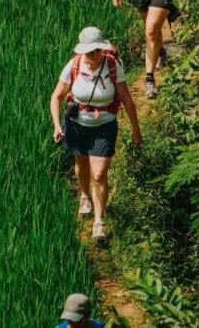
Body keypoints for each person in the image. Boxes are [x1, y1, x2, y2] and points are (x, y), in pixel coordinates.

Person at [50, 27, 141, 243]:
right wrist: (56, 125)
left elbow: (127, 99)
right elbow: (56, 97)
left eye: (98, 50)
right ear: (82, 51)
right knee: (81, 165)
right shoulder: (73, 66)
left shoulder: (112, 65)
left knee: (99, 174)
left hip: (104, 126)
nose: (94, 56)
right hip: (77, 125)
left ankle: (99, 223)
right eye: (90, 52)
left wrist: (136, 129)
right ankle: (85, 196)